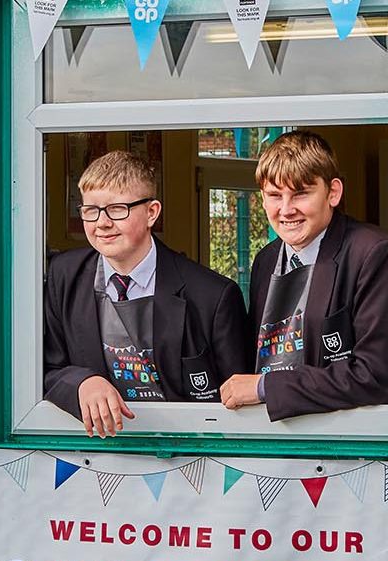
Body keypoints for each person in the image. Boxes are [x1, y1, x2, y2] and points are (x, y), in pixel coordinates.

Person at [44, 151, 251, 437]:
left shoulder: (214, 296)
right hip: (96, 453)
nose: (101, 223)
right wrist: (82, 382)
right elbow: (45, 367)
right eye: (91, 210)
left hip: (191, 457)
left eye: (117, 209)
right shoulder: (62, 275)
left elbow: (239, 400)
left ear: (152, 212)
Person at [218, 131, 388, 420]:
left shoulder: (371, 253)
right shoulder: (265, 260)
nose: (286, 210)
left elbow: (373, 375)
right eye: (274, 195)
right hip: (268, 434)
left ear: (333, 192)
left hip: (340, 440)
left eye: (300, 193)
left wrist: (265, 387)